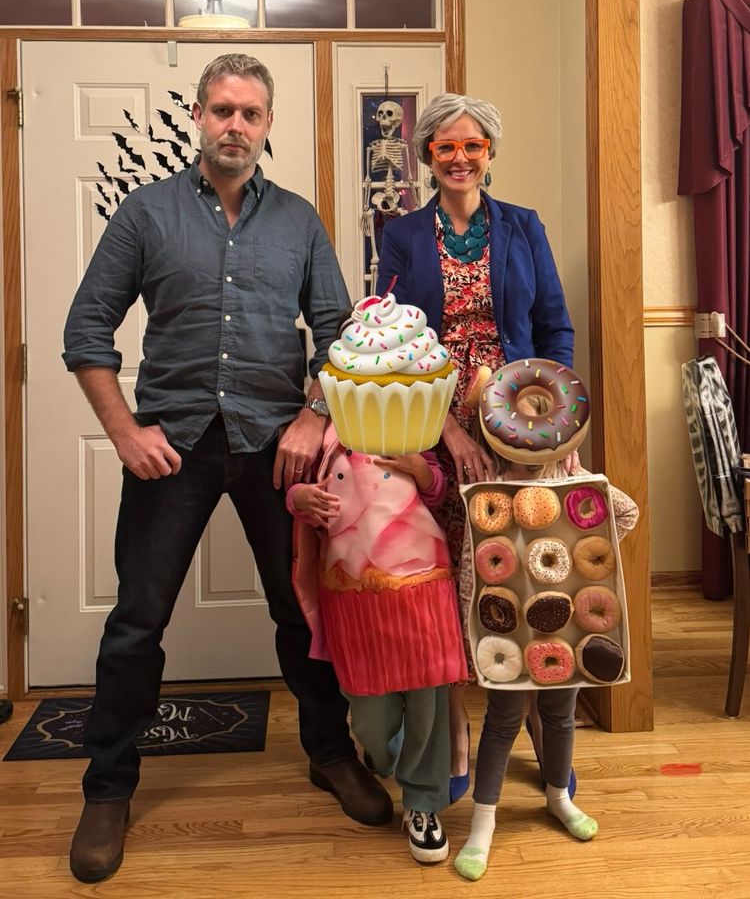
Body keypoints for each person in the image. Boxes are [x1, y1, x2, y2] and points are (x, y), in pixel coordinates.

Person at [62, 53, 392, 884]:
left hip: (276, 446)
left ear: (268, 124)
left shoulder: (299, 221)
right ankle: (107, 786)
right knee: (137, 618)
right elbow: (86, 332)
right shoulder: (146, 215)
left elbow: (341, 332)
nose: (234, 126)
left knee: (300, 609)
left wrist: (316, 413)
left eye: (249, 113)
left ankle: (329, 751)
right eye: (220, 110)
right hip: (171, 446)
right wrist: (123, 430)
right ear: (198, 119)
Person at [375, 93, 574, 800]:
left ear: (490, 153)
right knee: (454, 587)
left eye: (473, 146)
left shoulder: (522, 227)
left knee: (525, 576)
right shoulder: (400, 235)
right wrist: (450, 431)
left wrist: (555, 424)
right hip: (437, 426)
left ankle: (536, 730)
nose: (459, 158)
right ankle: (459, 731)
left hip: (523, 424)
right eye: (445, 147)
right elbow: (396, 339)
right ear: (428, 156)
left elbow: (554, 328)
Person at [288, 406, 468, 864]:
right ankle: (386, 754)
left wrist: (419, 472)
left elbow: (440, 489)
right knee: (368, 711)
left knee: (428, 698)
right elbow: (297, 496)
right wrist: (299, 500)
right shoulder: (321, 436)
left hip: (421, 582)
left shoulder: (410, 420)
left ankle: (423, 803)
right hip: (351, 591)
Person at [454, 443, 638, 881]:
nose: (533, 451)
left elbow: (626, 513)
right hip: (505, 624)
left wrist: (586, 485)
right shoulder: (490, 490)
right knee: (501, 721)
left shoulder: (569, 482)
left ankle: (559, 797)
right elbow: (470, 563)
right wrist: (470, 630)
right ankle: (483, 820)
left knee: (559, 715)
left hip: (567, 622)